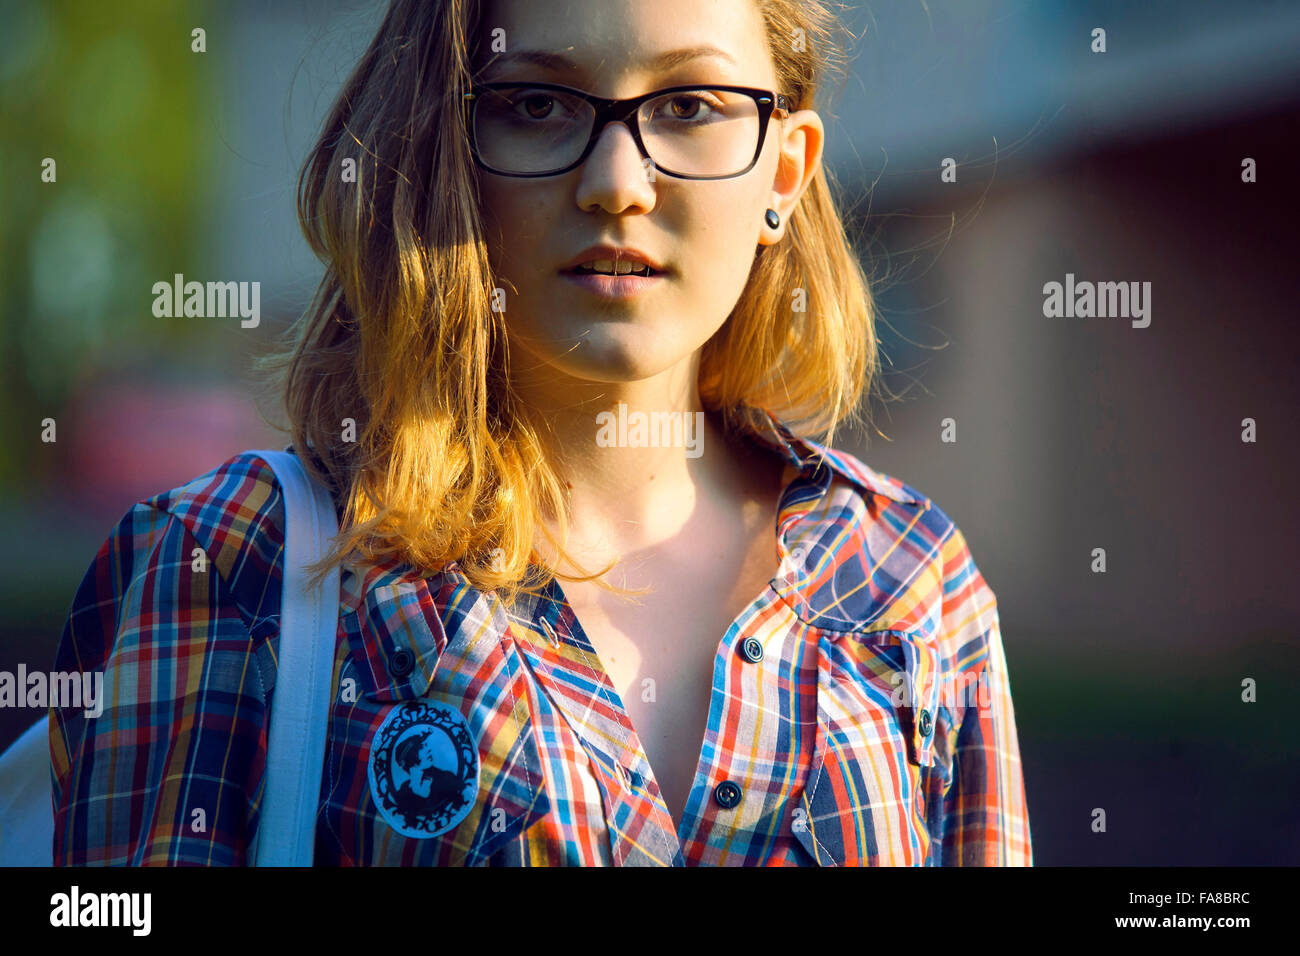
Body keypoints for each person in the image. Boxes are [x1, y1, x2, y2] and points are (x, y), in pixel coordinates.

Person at [51, 0, 1032, 866]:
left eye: (689, 106)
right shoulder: (236, 562)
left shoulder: (911, 584)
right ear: (443, 146)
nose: (616, 183)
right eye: (536, 104)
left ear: (785, 168)